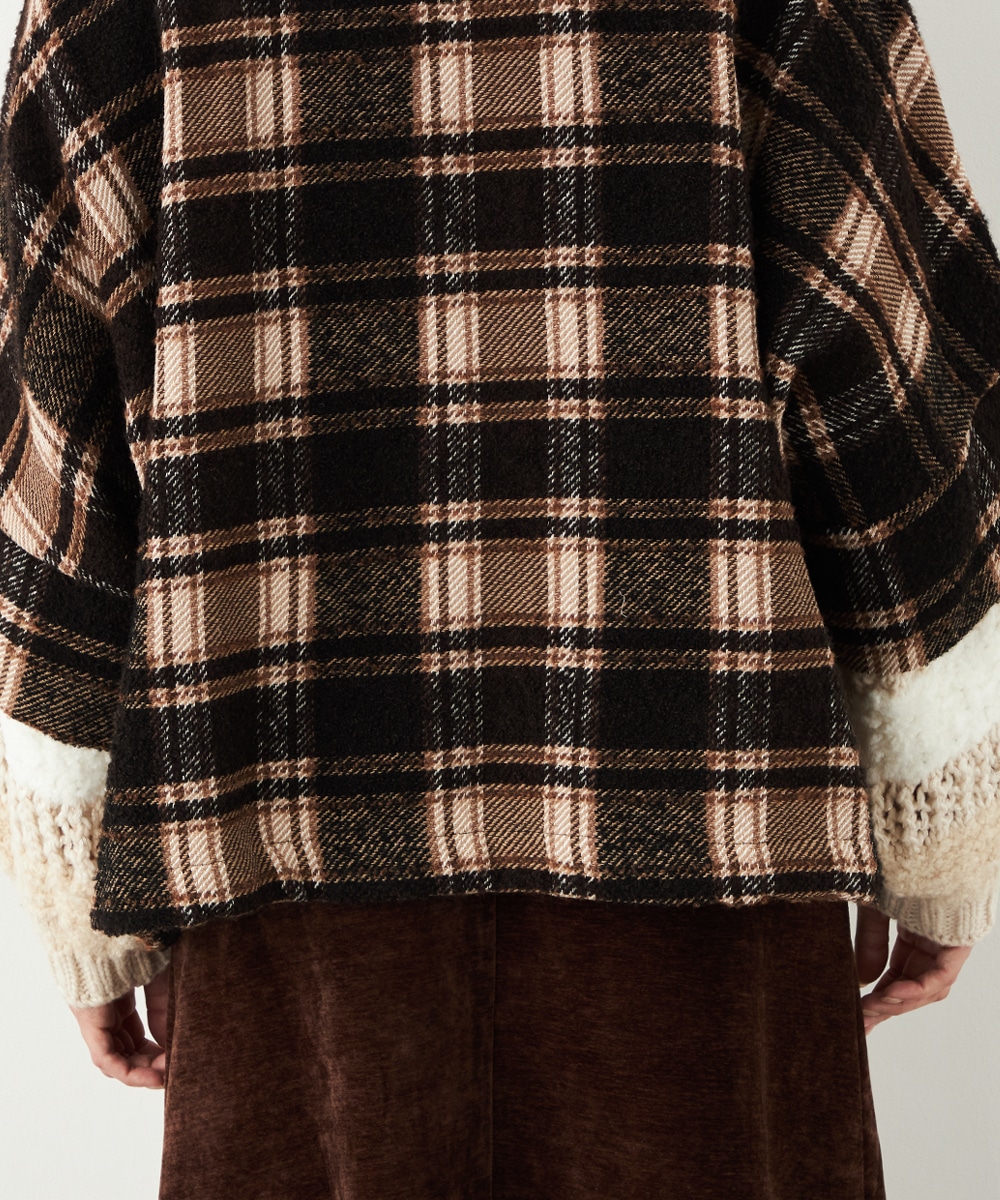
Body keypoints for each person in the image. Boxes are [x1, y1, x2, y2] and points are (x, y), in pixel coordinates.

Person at [1, 0, 998, 1194]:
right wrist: (938, 834)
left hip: (281, 842)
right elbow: (889, 382)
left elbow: (57, 458)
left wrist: (82, 907)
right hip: (698, 832)